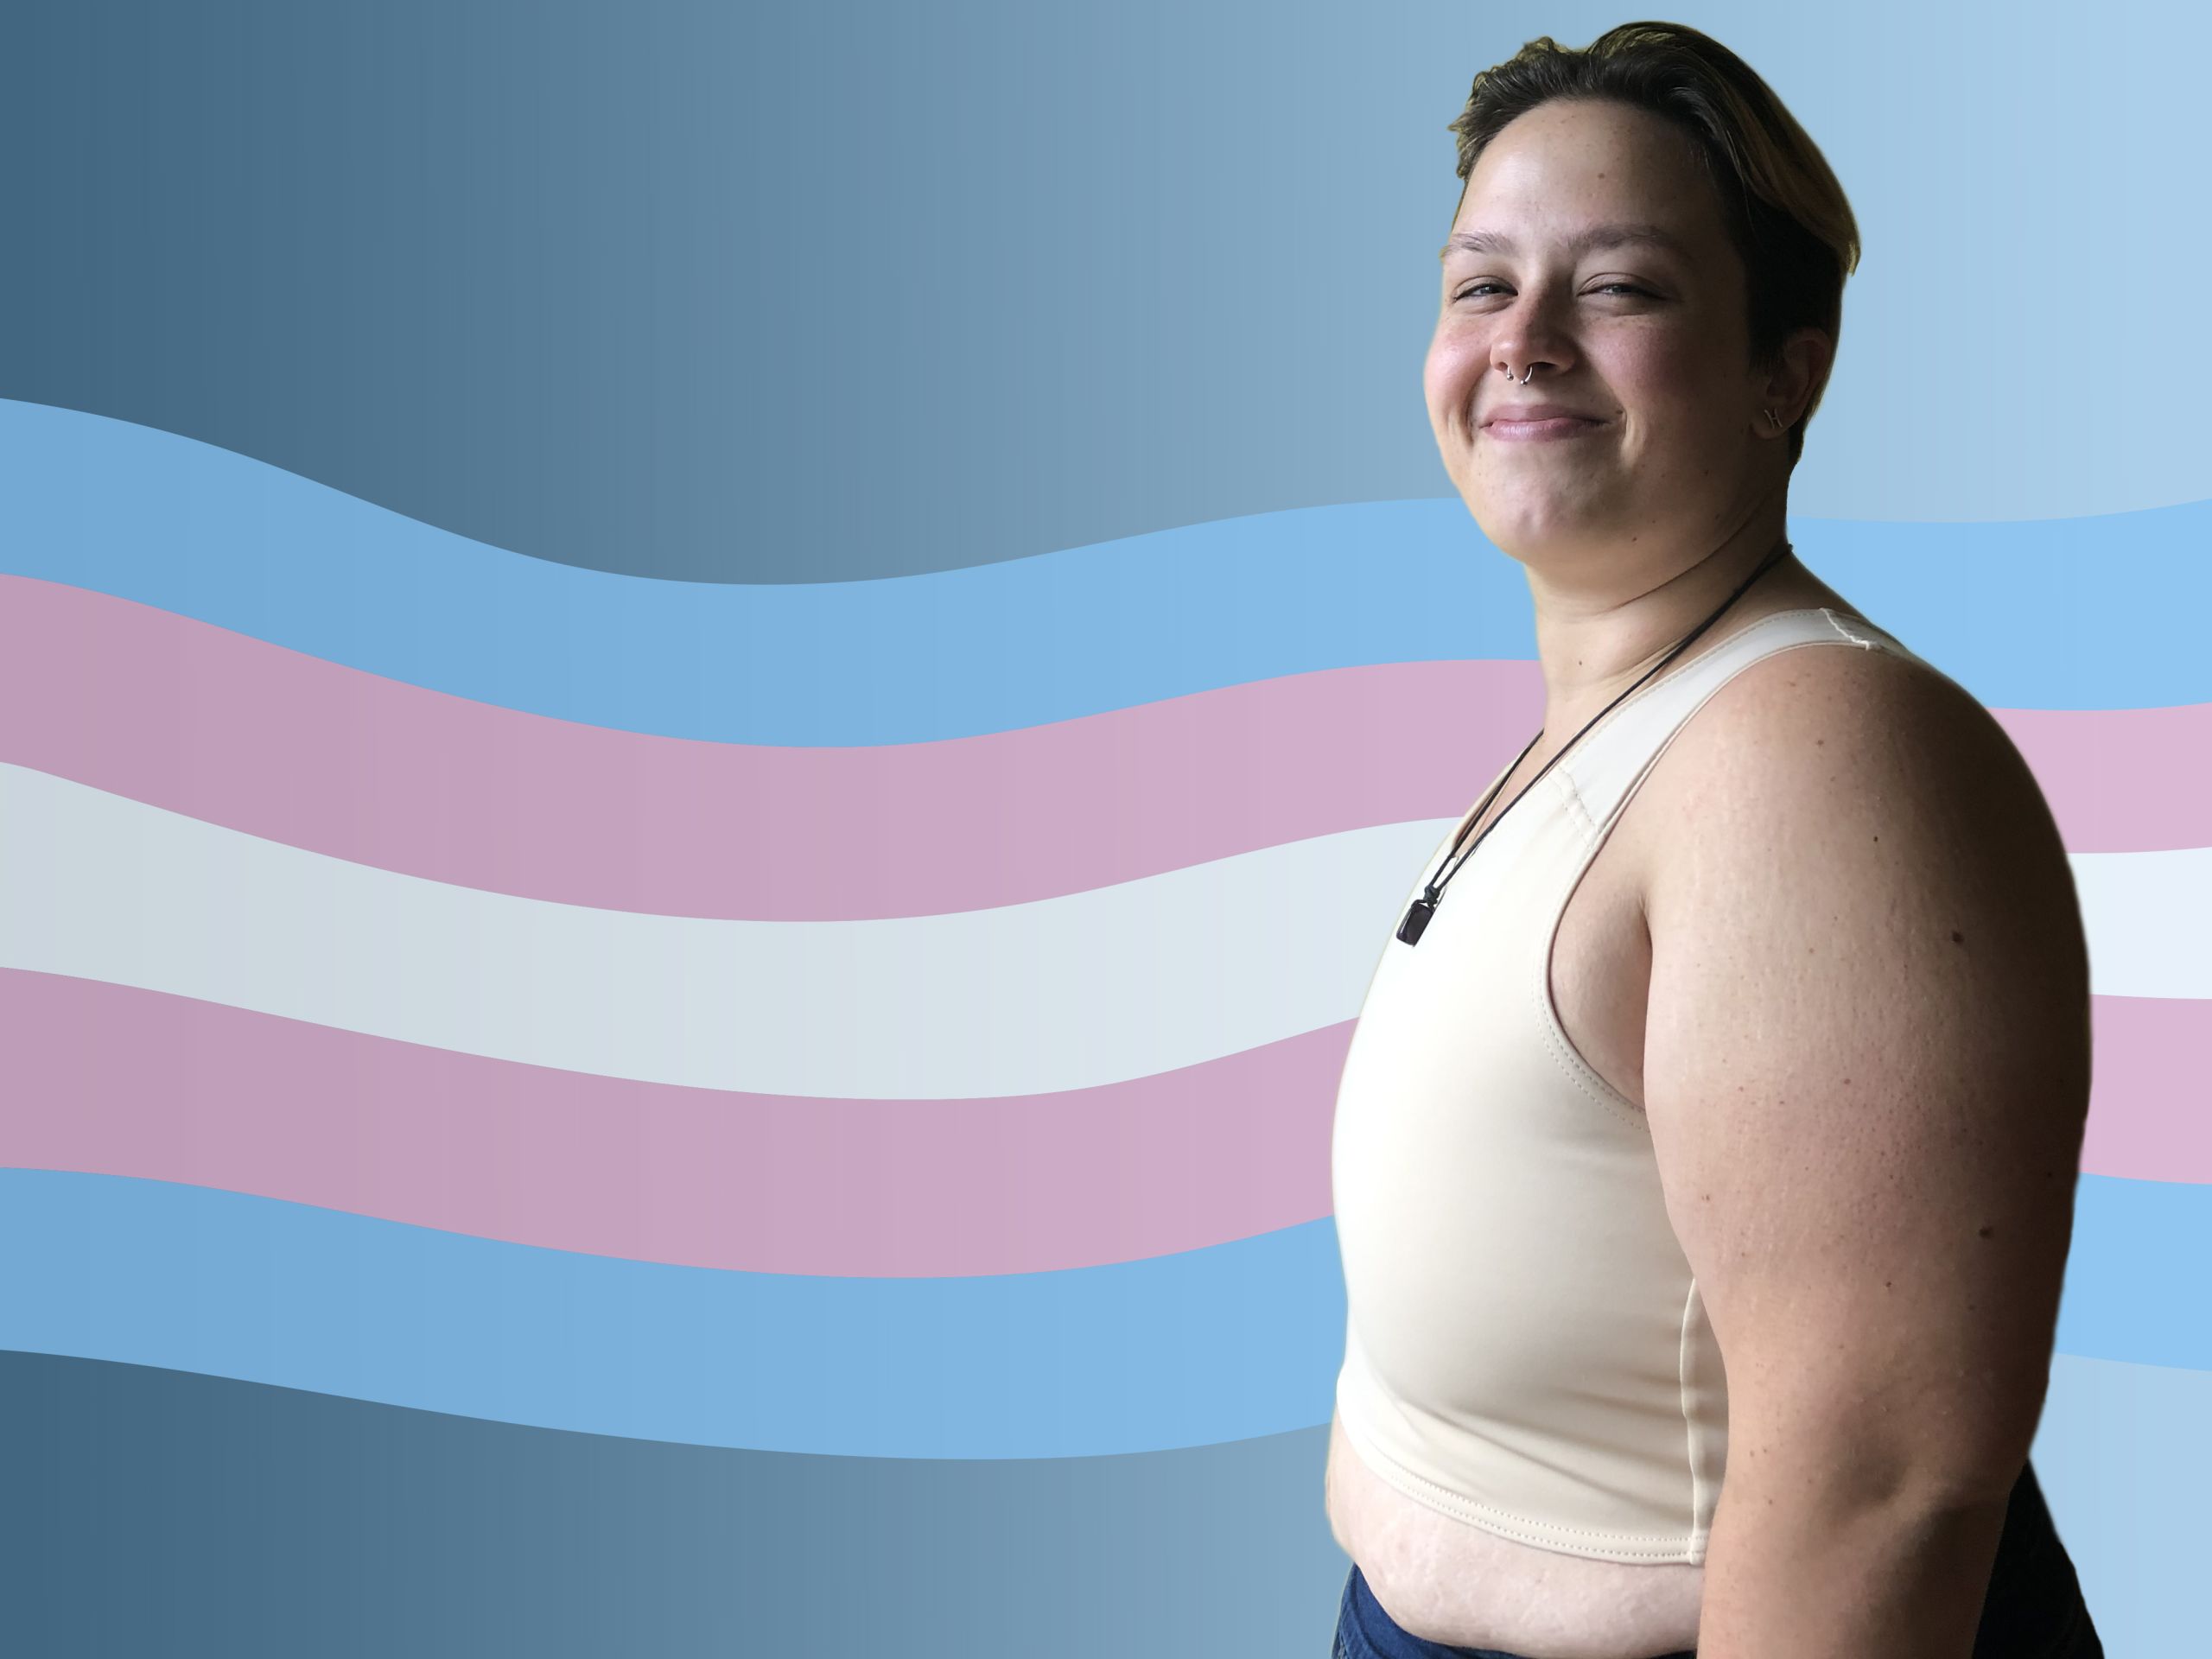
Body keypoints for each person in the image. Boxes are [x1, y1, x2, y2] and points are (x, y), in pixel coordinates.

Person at [1325, 22, 2101, 1659]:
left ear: (1785, 369)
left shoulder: (1825, 759)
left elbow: (1883, 1488)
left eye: (1620, 288)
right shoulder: (1628, 717)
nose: (1523, 341)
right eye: (1481, 284)